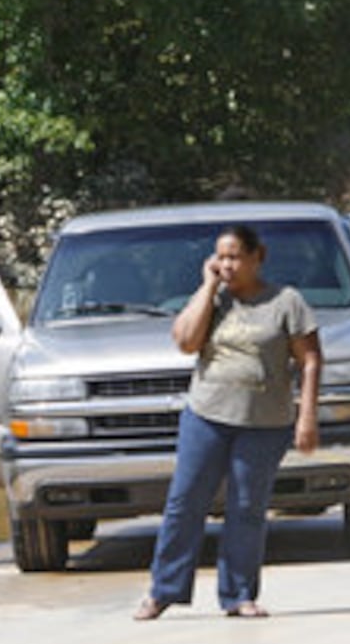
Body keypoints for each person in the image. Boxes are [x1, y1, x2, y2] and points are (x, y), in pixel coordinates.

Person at [135, 225, 321, 620]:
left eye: (235, 256)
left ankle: (238, 594)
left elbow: (310, 359)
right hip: (206, 415)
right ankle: (164, 589)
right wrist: (206, 288)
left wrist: (307, 415)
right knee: (185, 502)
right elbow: (185, 342)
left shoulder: (286, 301)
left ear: (258, 256)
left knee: (246, 506)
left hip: (264, 421)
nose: (227, 265)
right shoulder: (212, 299)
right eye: (220, 257)